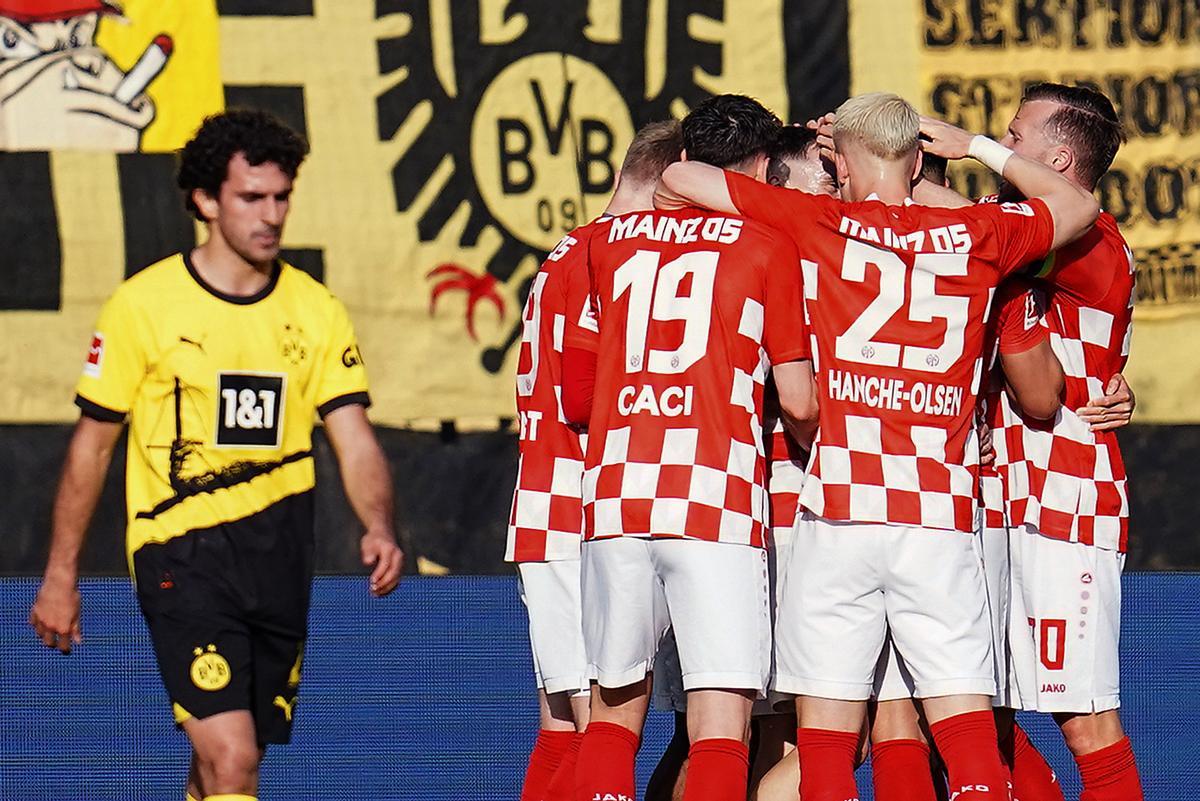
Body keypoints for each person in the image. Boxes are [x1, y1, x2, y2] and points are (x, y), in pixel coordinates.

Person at [657, 91, 1100, 800]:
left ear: (843, 161)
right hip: (938, 518)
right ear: (919, 155)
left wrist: (839, 161)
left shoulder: (823, 218)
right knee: (968, 739)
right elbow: (1077, 206)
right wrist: (978, 146)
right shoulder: (979, 233)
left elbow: (682, 178)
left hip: (839, 512)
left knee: (827, 748)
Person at [28, 109, 403, 801]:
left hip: (279, 555)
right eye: (251, 197)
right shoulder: (143, 305)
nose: (271, 214)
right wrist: (60, 574)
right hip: (181, 553)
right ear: (205, 200)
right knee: (234, 757)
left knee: (222, 764)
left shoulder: (316, 310)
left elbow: (354, 437)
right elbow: (94, 445)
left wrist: (378, 524)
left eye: (281, 196)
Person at [563, 93, 819, 801]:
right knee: (720, 721)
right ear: (762, 168)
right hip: (715, 502)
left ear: (683, 162)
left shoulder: (602, 243)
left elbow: (578, 397)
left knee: (614, 713)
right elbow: (799, 403)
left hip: (615, 498)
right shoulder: (770, 247)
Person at [506, 118, 682, 801]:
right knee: (592, 722)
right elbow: (586, 400)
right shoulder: (609, 254)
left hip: (555, 504)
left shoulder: (570, 249)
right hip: (578, 511)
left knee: (561, 722)